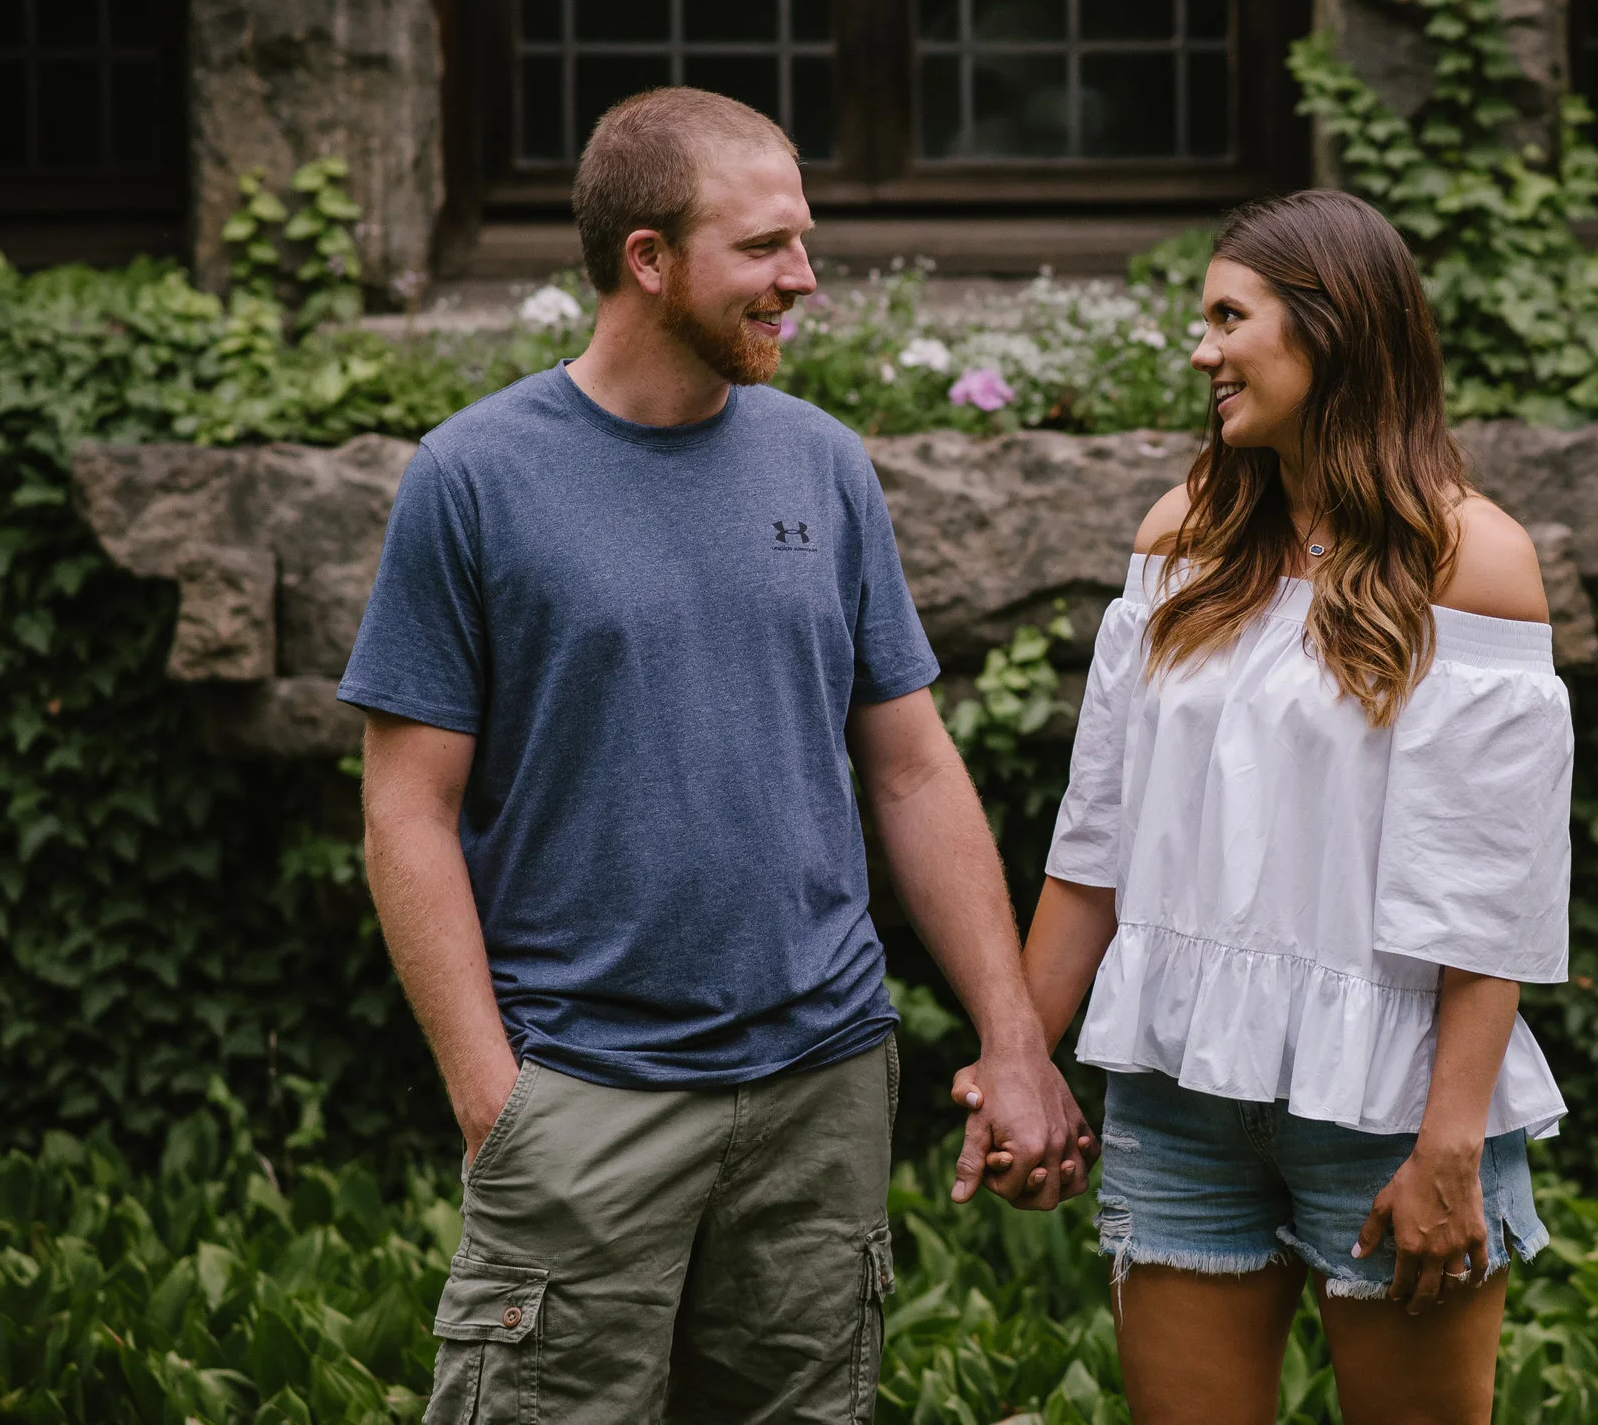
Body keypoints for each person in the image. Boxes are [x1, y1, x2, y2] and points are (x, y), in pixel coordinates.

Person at [341, 87, 1090, 1425]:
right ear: (647, 258)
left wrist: (1013, 1036)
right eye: (763, 248)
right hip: (586, 1092)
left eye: (801, 242)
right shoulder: (473, 478)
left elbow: (913, 770)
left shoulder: (824, 466)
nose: (801, 279)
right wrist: (491, 1105)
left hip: (820, 1093)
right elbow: (407, 811)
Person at [951, 189, 1576, 1424]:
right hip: (1182, 1093)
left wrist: (1448, 1143)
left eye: (1228, 318)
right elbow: (1096, 844)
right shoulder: (1181, 543)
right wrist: (1019, 1060)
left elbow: (1487, 896)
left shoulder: (1472, 562)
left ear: (1330, 328)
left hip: (1393, 1097)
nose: (1201, 354)